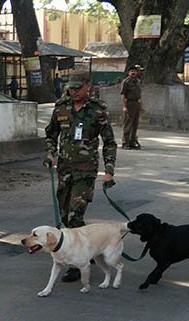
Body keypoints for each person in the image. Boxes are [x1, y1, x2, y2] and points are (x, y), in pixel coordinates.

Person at [43, 71, 117, 282]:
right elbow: (51, 134)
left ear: (88, 86)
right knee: (65, 216)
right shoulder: (61, 106)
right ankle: (87, 250)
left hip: (85, 171)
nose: (73, 91)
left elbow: (109, 142)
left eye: (77, 87)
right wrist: (50, 153)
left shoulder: (98, 110)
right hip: (64, 169)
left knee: (75, 215)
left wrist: (109, 170)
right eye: (71, 88)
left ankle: (76, 264)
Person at [120, 64, 143, 149]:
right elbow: (123, 95)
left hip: (137, 103)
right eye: (131, 71)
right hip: (129, 103)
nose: (133, 73)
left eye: (135, 71)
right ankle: (125, 142)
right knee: (128, 123)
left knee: (135, 124)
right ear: (128, 72)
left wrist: (141, 105)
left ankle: (132, 141)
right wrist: (124, 106)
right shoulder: (126, 82)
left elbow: (139, 94)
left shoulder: (138, 81)